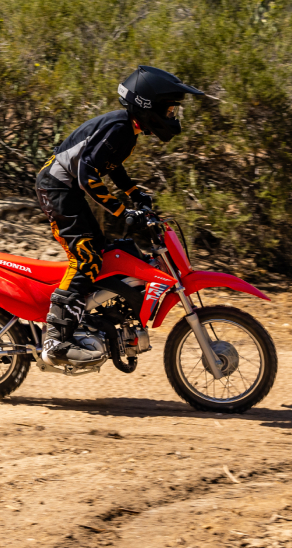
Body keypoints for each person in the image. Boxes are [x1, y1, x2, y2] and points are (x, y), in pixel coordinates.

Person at [34, 66, 203, 364]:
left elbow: (112, 167)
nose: (172, 116)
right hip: (57, 187)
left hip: (65, 188)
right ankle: (56, 339)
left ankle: (86, 320)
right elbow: (87, 176)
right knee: (85, 257)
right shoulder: (120, 128)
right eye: (169, 110)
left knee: (101, 251)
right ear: (148, 106)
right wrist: (123, 210)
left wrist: (135, 194)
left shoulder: (127, 131)